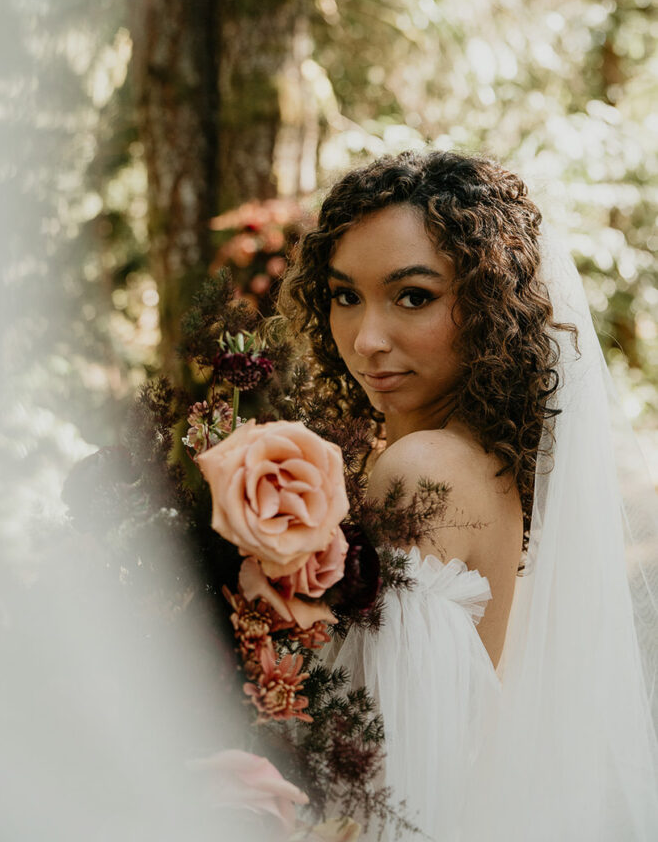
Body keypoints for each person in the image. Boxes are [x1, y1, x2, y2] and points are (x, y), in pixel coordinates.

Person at [279, 149, 658, 841]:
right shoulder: (488, 466)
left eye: (413, 296)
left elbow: (371, 787)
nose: (365, 339)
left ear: (486, 308)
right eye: (344, 295)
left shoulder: (423, 470)